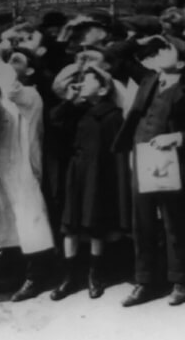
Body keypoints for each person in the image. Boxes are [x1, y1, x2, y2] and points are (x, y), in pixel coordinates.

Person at [112, 35, 185, 308]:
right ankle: (144, 281)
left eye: (165, 49)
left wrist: (178, 137)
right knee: (142, 222)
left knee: (175, 222)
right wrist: (145, 36)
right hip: (142, 157)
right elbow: (119, 53)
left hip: (172, 163)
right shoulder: (149, 80)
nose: (156, 53)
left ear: (181, 60)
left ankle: (181, 280)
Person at [48, 65, 130, 300]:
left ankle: (95, 274)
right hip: (77, 173)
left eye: (88, 81)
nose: (81, 84)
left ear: (103, 90)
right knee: (70, 226)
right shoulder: (76, 111)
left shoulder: (112, 115)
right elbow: (54, 121)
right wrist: (68, 101)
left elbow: (116, 152)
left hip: (100, 174)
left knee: (96, 225)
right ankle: (69, 277)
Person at [0, 44, 56, 300]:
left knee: (29, 218)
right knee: (7, 219)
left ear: (30, 70)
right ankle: (14, 272)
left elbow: (11, 88)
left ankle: (37, 275)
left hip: (22, 164)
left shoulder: (29, 95)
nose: (8, 66)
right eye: (7, 61)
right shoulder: (0, 96)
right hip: (1, 163)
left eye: (16, 61)